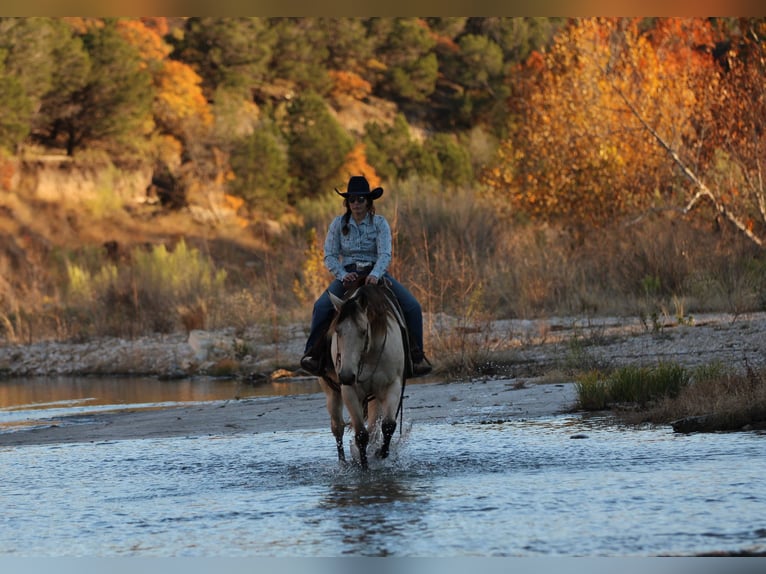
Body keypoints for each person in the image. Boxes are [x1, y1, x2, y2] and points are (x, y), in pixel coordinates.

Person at [300, 175, 432, 378]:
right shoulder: (337, 224)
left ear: (368, 201)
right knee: (321, 307)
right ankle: (313, 355)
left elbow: (385, 253)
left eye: (361, 199)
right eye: (352, 199)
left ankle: (416, 356)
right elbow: (330, 255)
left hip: (375, 273)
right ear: (347, 202)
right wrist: (343, 275)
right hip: (348, 275)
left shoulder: (379, 223)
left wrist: (375, 274)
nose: (356, 203)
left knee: (412, 306)